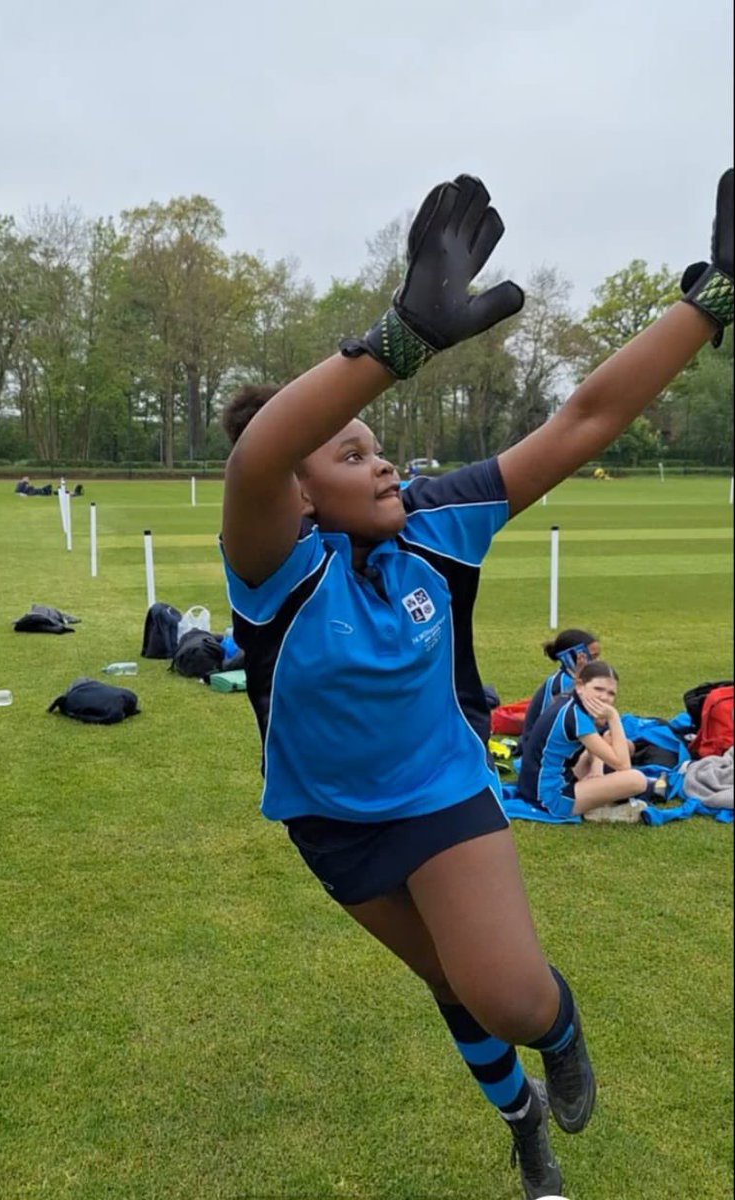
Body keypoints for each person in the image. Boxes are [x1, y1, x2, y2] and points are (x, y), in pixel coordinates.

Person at [220, 170, 733, 1199]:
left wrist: (712, 300)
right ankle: (522, 1124)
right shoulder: (274, 564)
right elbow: (262, 454)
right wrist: (400, 336)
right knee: (444, 981)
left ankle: (560, 1025)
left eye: (378, 449)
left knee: (504, 995)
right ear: (301, 496)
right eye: (350, 453)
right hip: (329, 820)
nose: (380, 466)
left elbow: (585, 418)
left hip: (442, 793)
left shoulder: (439, 523)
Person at [517, 660, 665, 822]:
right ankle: (599, 811)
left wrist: (597, 771)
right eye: (598, 689)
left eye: (611, 693)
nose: (604, 697)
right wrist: (613, 716)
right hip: (549, 798)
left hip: (535, 784)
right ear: (580, 686)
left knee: (610, 738)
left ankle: (597, 794)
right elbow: (623, 766)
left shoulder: (569, 702)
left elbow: (601, 741)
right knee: (636, 779)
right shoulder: (576, 717)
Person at [519, 628, 600, 753]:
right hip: (544, 748)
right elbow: (563, 723)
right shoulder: (562, 683)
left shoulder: (577, 679)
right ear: (575, 657)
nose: (598, 662)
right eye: (593, 657)